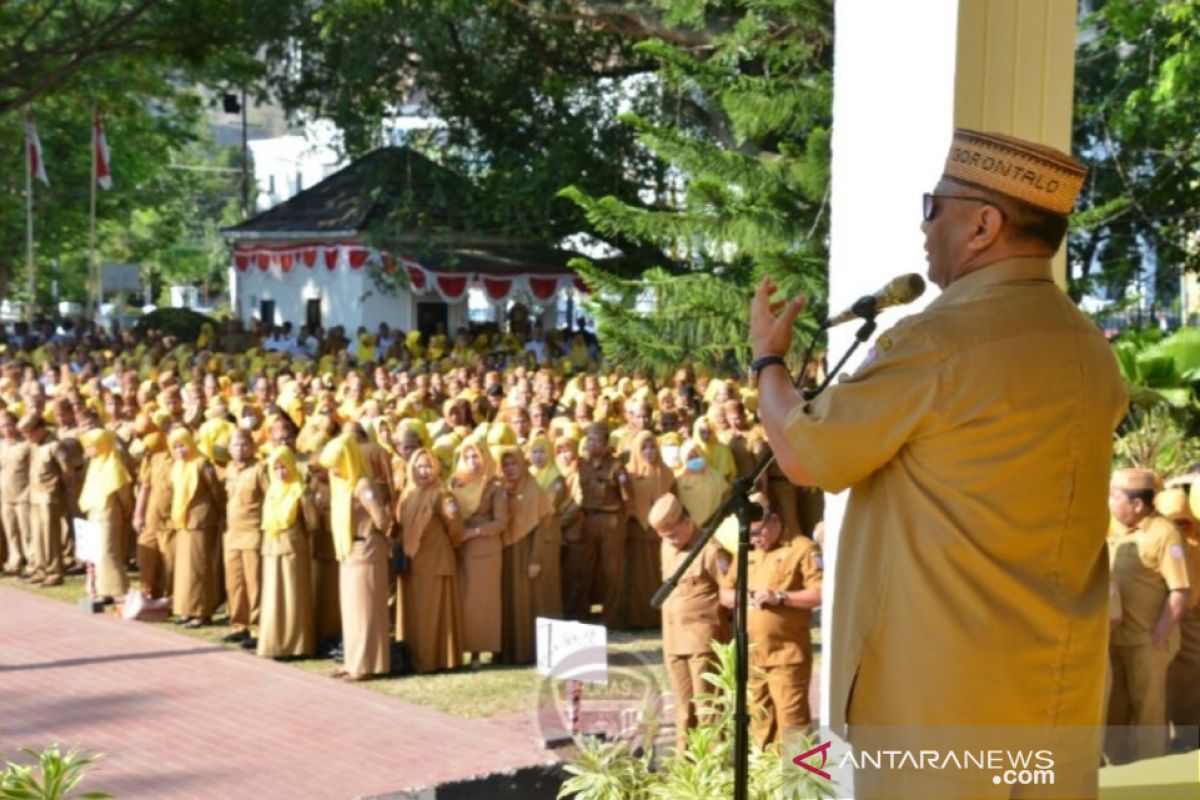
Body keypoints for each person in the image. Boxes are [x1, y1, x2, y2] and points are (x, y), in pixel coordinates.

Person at [750, 129, 1127, 795]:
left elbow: (806, 455)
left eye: (934, 206)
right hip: (1054, 686)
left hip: (943, 695)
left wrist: (768, 364)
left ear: (983, 225)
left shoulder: (938, 340)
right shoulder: (1089, 350)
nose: (924, 226)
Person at [718, 496, 822, 745]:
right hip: (752, 656)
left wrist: (780, 597)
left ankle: (800, 781)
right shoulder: (748, 552)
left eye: (758, 533)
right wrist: (743, 596)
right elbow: (724, 593)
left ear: (774, 520)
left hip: (785, 655)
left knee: (793, 726)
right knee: (759, 723)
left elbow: (821, 593)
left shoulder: (802, 549)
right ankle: (765, 779)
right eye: (749, 535)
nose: (755, 539)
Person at [1106, 469, 1191, 763]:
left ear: (1137, 504)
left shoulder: (1165, 534)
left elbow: (1180, 590)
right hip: (1117, 639)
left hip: (1147, 642)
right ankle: (1116, 770)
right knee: (1114, 713)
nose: (1110, 502)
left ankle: (1149, 775)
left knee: (1148, 714)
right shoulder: (1119, 531)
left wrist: (1158, 635)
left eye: (1115, 496)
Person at [648, 492, 728, 750]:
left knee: (708, 710)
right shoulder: (666, 546)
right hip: (673, 641)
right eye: (664, 537)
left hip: (702, 643)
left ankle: (715, 771)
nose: (669, 541)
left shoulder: (711, 550)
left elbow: (729, 593)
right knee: (684, 711)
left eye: (672, 535)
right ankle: (688, 769)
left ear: (686, 522)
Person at [320, 433, 391, 681]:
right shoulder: (343, 485)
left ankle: (367, 664)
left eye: (337, 465)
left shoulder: (363, 485)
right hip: (349, 552)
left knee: (366, 610)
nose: (334, 471)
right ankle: (351, 661)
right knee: (351, 610)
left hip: (367, 550)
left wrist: (381, 535)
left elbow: (382, 519)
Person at [396, 448, 465, 673]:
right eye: (418, 466)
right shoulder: (408, 495)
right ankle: (415, 659)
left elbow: (455, 527)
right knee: (415, 616)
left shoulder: (442, 494)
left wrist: (445, 547)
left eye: (428, 466)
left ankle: (435, 660)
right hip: (413, 564)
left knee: (434, 615)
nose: (423, 471)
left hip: (436, 563)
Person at [449, 436, 508, 668]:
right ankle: (464, 650)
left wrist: (474, 532)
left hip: (485, 550)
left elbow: (501, 522)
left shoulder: (494, 485)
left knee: (482, 603)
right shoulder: (455, 483)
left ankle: (480, 651)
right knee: (463, 602)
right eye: (467, 457)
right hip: (460, 549)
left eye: (477, 456)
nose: (472, 462)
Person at [257, 446, 317, 659]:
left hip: (293, 547)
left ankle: (297, 645)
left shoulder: (301, 490)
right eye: (277, 468)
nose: (282, 472)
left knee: (293, 596)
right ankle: (274, 643)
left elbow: (312, 523)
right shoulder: (273, 490)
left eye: (285, 467)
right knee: (273, 596)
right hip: (272, 546)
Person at [1157, 487, 1200, 748]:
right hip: (1173, 617)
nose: (1180, 527)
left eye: (1183, 521)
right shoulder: (1163, 541)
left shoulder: (1193, 542)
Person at [575, 422, 629, 628]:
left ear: (606, 444)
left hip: (610, 521)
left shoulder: (616, 468)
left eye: (597, 439)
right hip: (586, 520)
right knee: (583, 568)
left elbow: (627, 499)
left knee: (611, 572)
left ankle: (610, 618)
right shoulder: (582, 465)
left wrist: (619, 523)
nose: (592, 443)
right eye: (589, 438)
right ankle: (582, 615)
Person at [168, 428, 223, 627]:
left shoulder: (202, 463)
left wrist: (219, 513)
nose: (180, 450)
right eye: (175, 447)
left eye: (182, 444)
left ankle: (201, 611)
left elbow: (215, 490)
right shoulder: (177, 466)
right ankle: (186, 609)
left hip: (200, 520)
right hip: (183, 520)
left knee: (199, 567)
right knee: (184, 568)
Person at [622, 431, 674, 629]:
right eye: (644, 447)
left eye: (652, 447)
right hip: (637, 531)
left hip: (662, 534)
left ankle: (658, 617)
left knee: (658, 574)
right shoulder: (629, 473)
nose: (649, 452)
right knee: (636, 577)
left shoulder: (667, 473)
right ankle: (637, 619)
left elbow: (674, 501)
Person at [223, 429, 270, 644]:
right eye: (235, 445)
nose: (239, 450)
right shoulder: (230, 469)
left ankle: (257, 628)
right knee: (235, 583)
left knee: (255, 584)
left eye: (244, 445)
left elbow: (270, 499)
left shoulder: (260, 469)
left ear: (252, 446)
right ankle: (239, 623)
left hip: (253, 533)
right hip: (233, 535)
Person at [78, 428, 134, 600]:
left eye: (91, 446)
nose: (87, 450)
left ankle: (118, 589)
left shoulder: (114, 465)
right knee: (95, 552)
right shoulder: (95, 464)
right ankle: (100, 589)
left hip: (109, 513)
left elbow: (125, 495)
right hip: (94, 512)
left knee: (108, 552)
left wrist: (124, 511)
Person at [20, 414, 67, 586]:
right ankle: (41, 569)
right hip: (35, 495)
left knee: (50, 536)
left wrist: (58, 491)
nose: (28, 437)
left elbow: (67, 472)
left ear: (40, 429)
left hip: (50, 496)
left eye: (30, 433)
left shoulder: (55, 446)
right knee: (37, 535)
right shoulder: (34, 446)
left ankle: (54, 572)